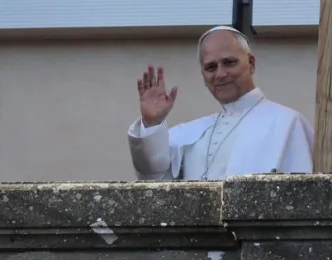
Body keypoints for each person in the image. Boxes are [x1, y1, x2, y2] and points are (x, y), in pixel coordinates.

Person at [127, 25, 313, 180]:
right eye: (210, 67)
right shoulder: (192, 131)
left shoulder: (288, 123)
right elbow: (153, 178)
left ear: (251, 63)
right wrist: (152, 123)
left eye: (230, 63)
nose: (221, 74)